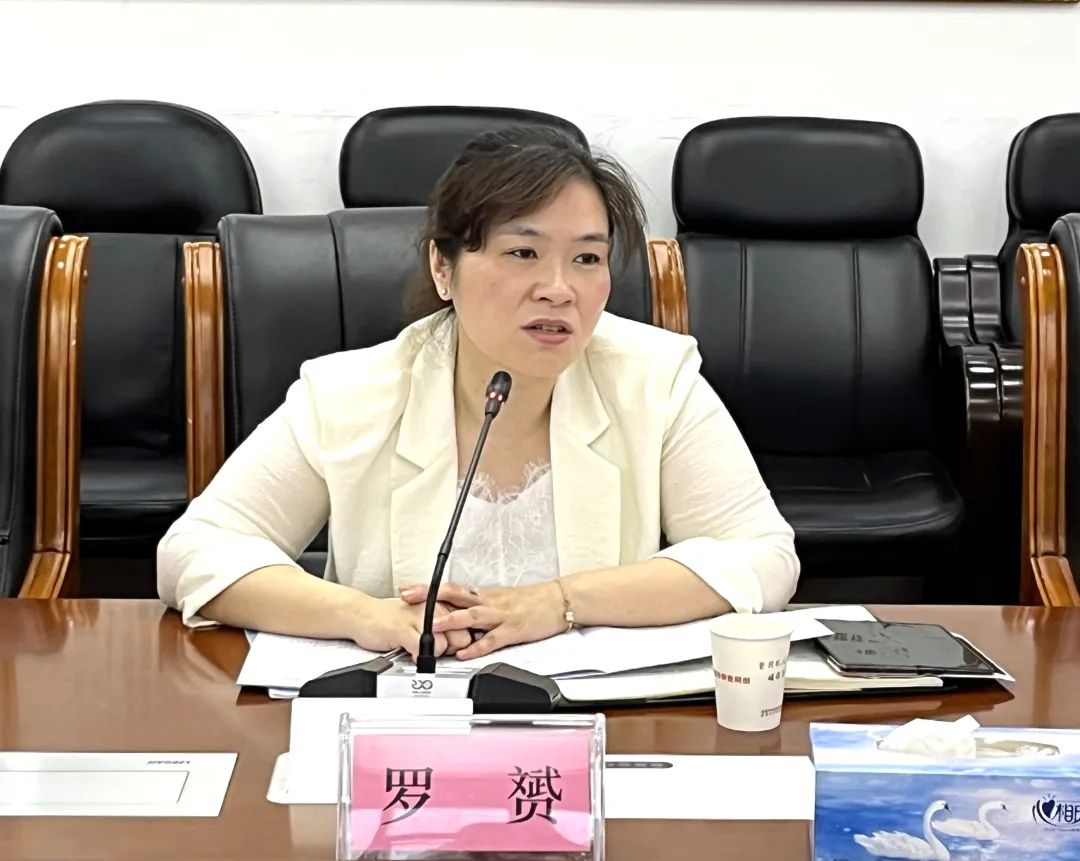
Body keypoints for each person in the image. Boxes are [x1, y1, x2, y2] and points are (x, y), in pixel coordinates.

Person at [157, 125, 799, 663]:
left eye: (586, 259)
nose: (559, 289)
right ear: (444, 267)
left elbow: (764, 556)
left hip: (594, 726)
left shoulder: (654, 379)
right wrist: (364, 616)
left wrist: (560, 602)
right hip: (401, 723)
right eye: (522, 253)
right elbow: (193, 552)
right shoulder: (349, 393)